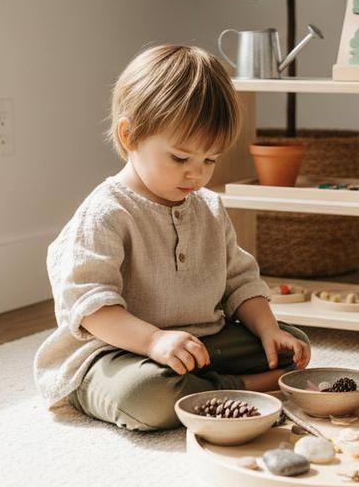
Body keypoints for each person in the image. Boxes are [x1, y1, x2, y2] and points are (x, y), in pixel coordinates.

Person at [34, 44, 311, 430]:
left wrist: (268, 330)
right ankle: (237, 388)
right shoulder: (107, 212)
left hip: (202, 344)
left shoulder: (210, 208)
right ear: (129, 136)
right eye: (180, 159)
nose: (196, 174)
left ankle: (211, 389)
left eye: (209, 160)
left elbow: (241, 282)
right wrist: (153, 342)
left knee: (291, 345)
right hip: (119, 354)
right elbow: (91, 307)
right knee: (146, 395)